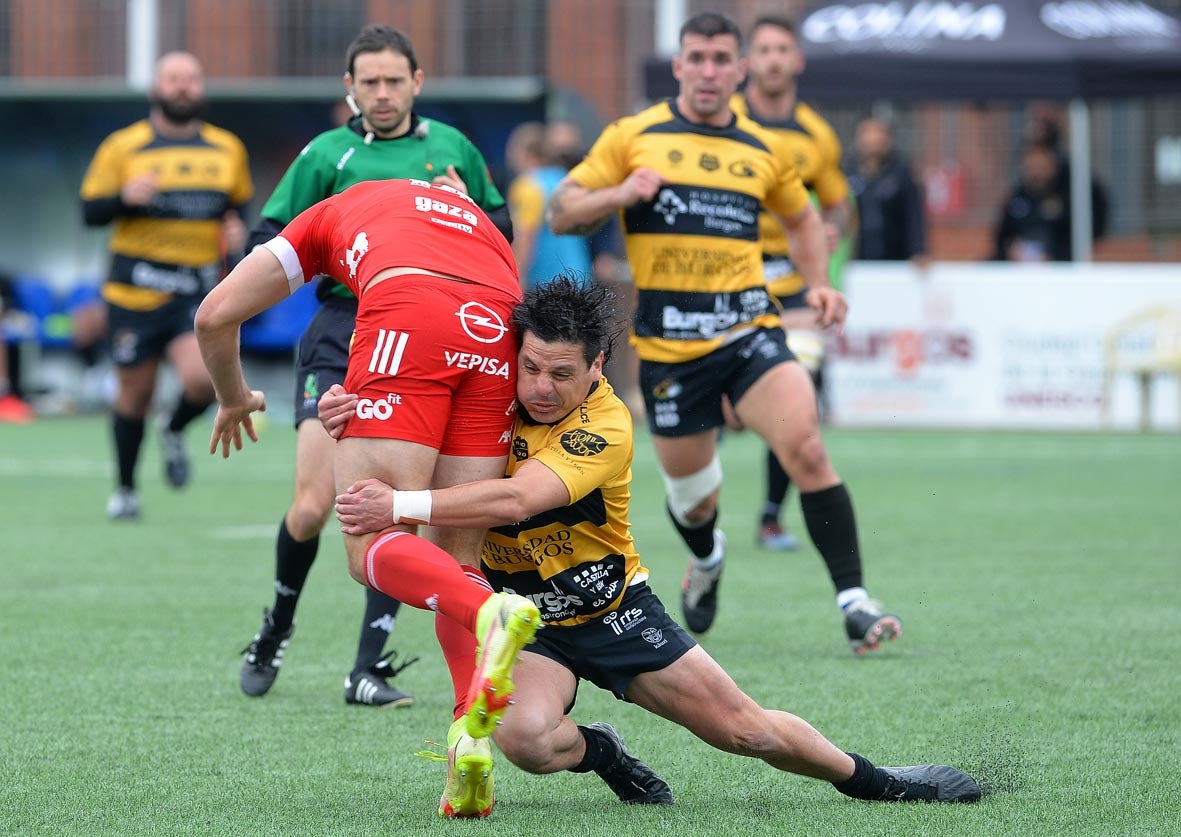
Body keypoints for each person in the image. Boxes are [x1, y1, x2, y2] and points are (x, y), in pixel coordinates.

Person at [323, 277, 982, 811]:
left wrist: (398, 505)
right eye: (529, 367)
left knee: (744, 730)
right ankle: (603, 751)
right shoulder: (489, 389)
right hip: (525, 618)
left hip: (614, 612)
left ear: (597, 366)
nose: (541, 387)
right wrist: (349, 416)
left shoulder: (605, 423)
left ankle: (873, 779)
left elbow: (518, 498)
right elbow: (405, 420)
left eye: (561, 372)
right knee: (524, 740)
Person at [545, 12, 901, 653]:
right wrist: (621, 192)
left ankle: (853, 599)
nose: (709, 71)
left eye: (720, 60)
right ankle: (707, 558)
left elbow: (802, 220)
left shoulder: (763, 148)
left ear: (737, 72)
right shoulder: (635, 135)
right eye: (697, 58)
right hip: (670, 352)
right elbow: (561, 210)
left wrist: (816, 282)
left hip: (749, 330)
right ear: (680, 66)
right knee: (694, 502)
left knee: (809, 448)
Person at [195, 176, 543, 819]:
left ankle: (489, 612)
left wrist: (233, 397)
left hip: (410, 314)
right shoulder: (471, 214)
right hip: (500, 327)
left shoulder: (326, 216)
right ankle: (470, 740)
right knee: (455, 551)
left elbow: (215, 314)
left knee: (368, 541)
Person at [236, 23, 514, 710]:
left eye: (395, 81)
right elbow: (267, 241)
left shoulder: (453, 149)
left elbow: (500, 238)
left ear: (417, 83)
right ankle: (275, 628)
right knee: (313, 503)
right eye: (370, 83)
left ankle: (367, 667)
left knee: (406, 506)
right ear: (349, 89)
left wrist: (468, 208)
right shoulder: (327, 155)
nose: (383, 94)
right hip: (343, 331)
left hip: (434, 332)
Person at [80, 51, 252, 520]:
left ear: (201, 89)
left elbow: (241, 211)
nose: (182, 87)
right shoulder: (123, 146)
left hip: (193, 293)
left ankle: (174, 429)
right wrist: (123, 198)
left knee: (201, 380)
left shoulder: (227, 149)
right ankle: (126, 488)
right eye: (173, 79)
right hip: (133, 293)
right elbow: (90, 211)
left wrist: (239, 235)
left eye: (191, 79)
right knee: (134, 396)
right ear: (156, 87)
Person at [730, 15, 855, 553]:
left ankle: (770, 516)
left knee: (796, 397)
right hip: (733, 277)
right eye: (764, 49)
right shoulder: (725, 119)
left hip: (795, 282)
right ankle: (701, 515)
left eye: (783, 49)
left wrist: (832, 228)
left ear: (797, 60)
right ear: (748, 62)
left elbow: (840, 205)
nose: (774, 58)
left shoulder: (816, 134)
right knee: (726, 407)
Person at [994, 139, 1105, 263]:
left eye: (1041, 161)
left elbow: (1081, 237)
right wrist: (1011, 251)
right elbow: (1002, 237)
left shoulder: (1071, 196)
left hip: (1061, 267)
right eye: (1031, 162)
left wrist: (1052, 256)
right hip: (1020, 268)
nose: (1036, 168)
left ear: (1053, 164)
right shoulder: (1017, 197)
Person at [846, 117, 927, 263]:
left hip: (895, 258)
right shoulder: (847, 174)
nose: (873, 145)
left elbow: (914, 214)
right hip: (857, 258)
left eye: (878, 140)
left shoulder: (901, 175)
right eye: (868, 140)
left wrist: (918, 250)